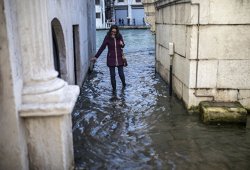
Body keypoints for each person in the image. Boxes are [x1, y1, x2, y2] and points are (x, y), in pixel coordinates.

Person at [91, 25, 126, 91]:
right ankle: (114, 90)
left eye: (115, 32)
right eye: (112, 31)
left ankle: (124, 85)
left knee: (121, 74)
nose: (113, 33)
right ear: (110, 31)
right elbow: (102, 47)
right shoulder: (107, 37)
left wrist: (122, 44)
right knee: (112, 76)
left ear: (117, 32)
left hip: (119, 58)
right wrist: (96, 57)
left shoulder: (119, 36)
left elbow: (123, 45)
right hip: (111, 59)